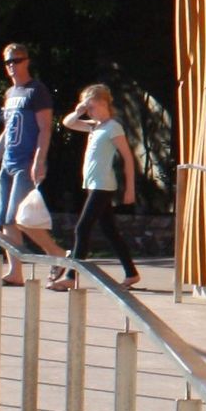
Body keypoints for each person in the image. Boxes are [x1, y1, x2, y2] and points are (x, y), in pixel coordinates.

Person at [0, 42, 66, 286]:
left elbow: (45, 128)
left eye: (16, 60)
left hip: (26, 162)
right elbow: (7, 132)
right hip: (8, 163)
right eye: (7, 62)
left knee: (21, 217)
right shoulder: (10, 94)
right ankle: (15, 270)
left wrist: (39, 160)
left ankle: (56, 252)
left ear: (27, 61)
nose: (12, 66)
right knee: (5, 219)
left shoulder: (37, 91)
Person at [61, 83, 142, 286]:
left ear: (104, 103)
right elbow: (68, 122)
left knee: (82, 229)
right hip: (93, 185)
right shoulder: (94, 126)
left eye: (92, 106)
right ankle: (131, 273)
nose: (89, 111)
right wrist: (79, 110)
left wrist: (130, 189)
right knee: (110, 231)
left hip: (102, 186)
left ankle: (71, 277)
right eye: (87, 108)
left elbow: (128, 158)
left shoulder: (113, 127)